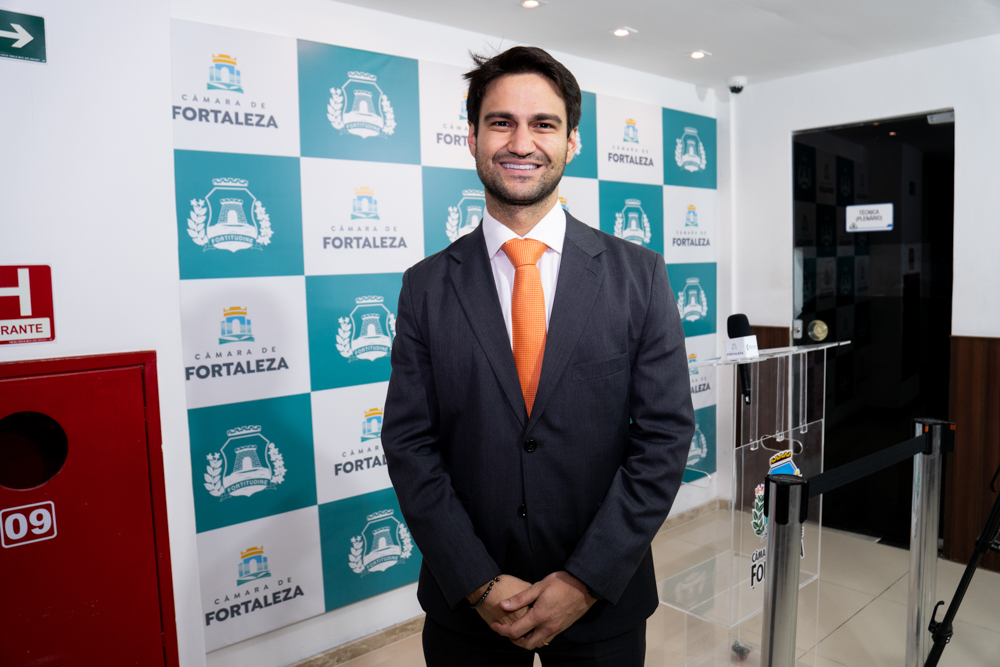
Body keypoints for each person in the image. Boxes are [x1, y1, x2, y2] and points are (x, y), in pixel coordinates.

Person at [381, 46, 694, 666]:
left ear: (572, 141)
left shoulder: (640, 276)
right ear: (472, 137)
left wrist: (584, 581)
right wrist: (477, 581)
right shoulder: (425, 286)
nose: (521, 143)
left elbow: (664, 438)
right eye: (501, 122)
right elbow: (410, 444)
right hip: (467, 608)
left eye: (543, 124)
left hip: (603, 603)